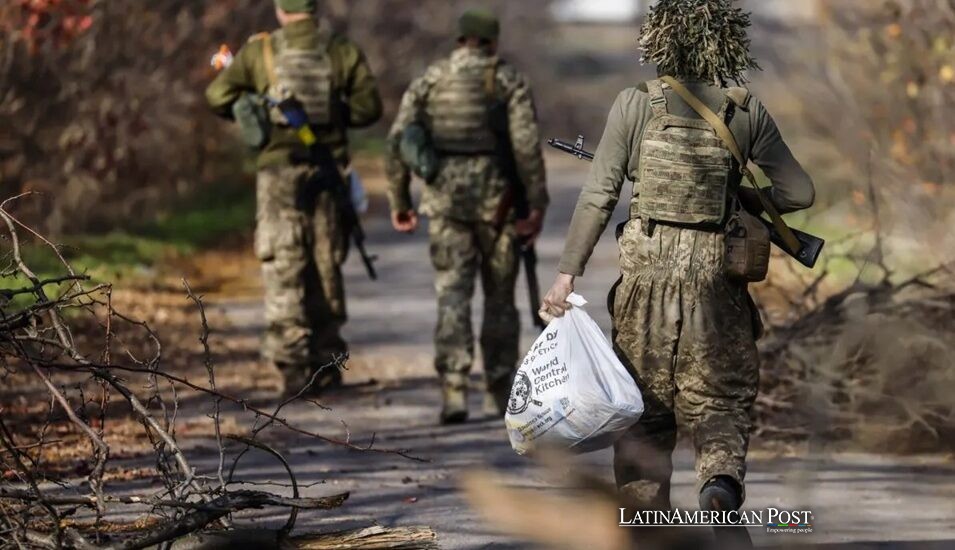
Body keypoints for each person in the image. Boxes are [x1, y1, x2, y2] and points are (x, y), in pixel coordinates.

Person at [541, 0, 814, 518]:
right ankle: (720, 484)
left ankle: (646, 525)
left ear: (662, 40)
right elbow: (800, 192)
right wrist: (739, 200)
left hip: (645, 284)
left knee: (643, 414)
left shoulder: (633, 103)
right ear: (726, 42)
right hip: (718, 283)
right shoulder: (744, 109)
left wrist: (565, 275)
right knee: (721, 400)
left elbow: (599, 194)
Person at [205, 0, 382, 394]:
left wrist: (252, 106)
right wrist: (334, 112)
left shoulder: (260, 51)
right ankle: (327, 362)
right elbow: (370, 108)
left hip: (278, 176)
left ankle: (292, 368)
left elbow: (217, 96)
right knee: (325, 264)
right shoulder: (341, 49)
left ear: (281, 9)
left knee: (283, 263)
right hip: (328, 171)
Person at [386, 9, 549, 424]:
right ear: (491, 41)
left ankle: (454, 391)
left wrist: (400, 199)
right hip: (498, 204)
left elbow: (399, 140)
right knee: (499, 298)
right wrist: (536, 204)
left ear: (461, 39)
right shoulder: (507, 79)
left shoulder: (430, 79)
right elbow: (527, 147)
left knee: (452, 295)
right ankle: (498, 392)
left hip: (444, 203)